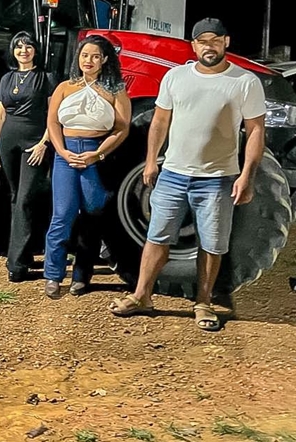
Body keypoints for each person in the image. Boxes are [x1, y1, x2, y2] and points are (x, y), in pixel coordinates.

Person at [110, 18, 265, 331]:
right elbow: (159, 122)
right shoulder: (175, 77)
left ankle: (203, 302)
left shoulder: (245, 81)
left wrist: (247, 175)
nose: (209, 46)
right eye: (203, 41)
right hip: (173, 175)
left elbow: (256, 131)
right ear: (194, 46)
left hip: (218, 179)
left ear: (226, 42)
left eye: (215, 40)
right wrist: (151, 161)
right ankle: (141, 296)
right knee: (156, 237)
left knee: (212, 244)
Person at [43, 34, 131, 299]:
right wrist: (62, 151)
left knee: (92, 214)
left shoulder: (116, 90)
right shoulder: (64, 87)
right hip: (66, 154)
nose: (88, 60)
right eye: (84, 55)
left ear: (104, 60)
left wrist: (98, 154)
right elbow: (52, 122)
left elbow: (122, 128)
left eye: (95, 56)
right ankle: (53, 274)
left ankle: (81, 276)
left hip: (96, 154)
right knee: (62, 214)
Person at [0, 32, 56, 281]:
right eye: (18, 46)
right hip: (8, 143)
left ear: (35, 50)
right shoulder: (6, 78)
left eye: (28, 46)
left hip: (34, 144)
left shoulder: (46, 78)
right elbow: (0, 115)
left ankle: (15, 264)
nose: (23, 50)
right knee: (15, 197)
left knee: (26, 198)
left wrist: (44, 143)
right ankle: (25, 254)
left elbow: (53, 115)